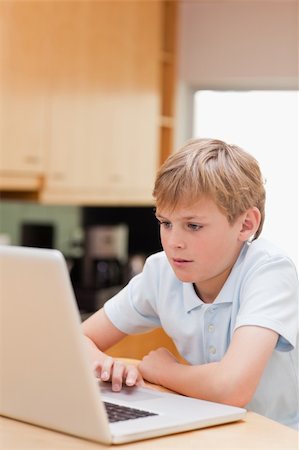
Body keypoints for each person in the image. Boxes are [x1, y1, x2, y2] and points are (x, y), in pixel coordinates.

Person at [82, 138, 298, 428]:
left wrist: (164, 371)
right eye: (165, 223)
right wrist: (102, 363)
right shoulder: (160, 271)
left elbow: (232, 387)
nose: (173, 243)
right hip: (206, 427)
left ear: (246, 225)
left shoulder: (269, 271)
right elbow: (77, 340)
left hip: (277, 435)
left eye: (193, 226)